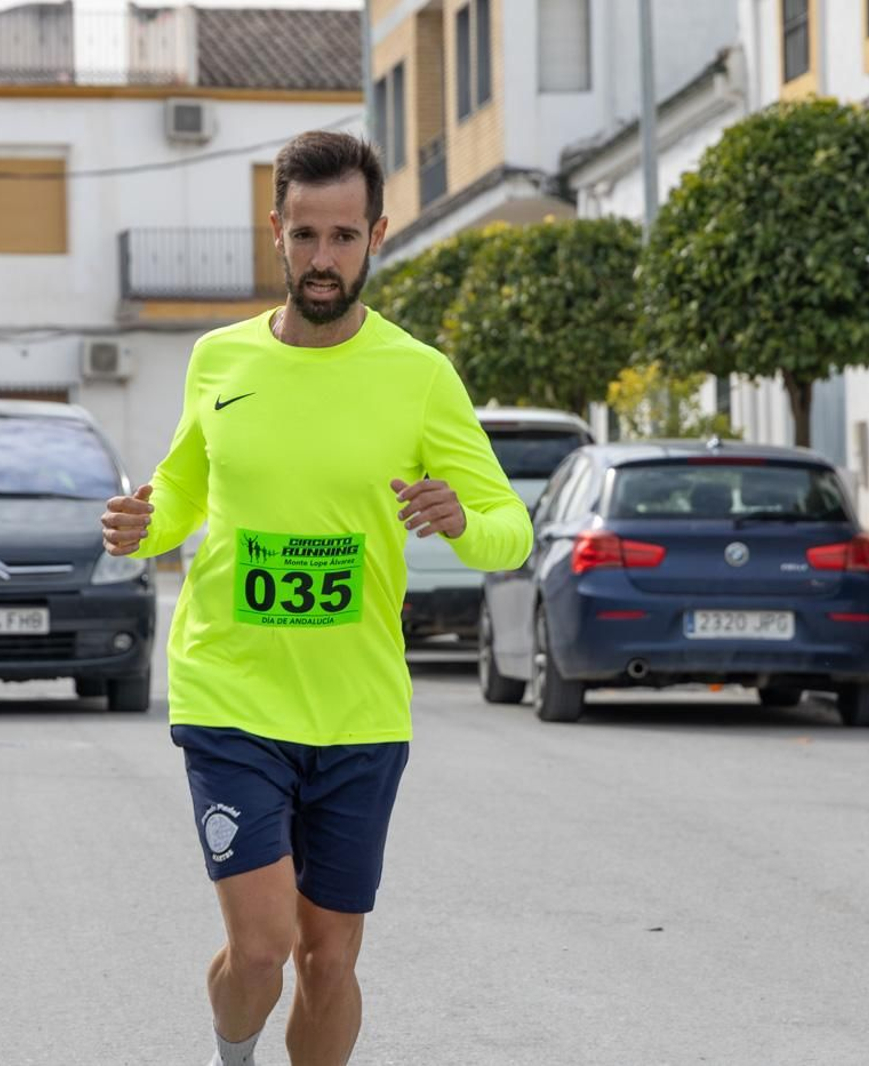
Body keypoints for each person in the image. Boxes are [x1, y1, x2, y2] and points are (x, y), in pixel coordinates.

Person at [99, 132, 531, 1066]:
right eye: (305, 236)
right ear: (276, 233)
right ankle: (233, 1052)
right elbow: (187, 488)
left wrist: (461, 517)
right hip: (232, 694)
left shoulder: (419, 377)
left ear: (376, 234)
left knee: (327, 957)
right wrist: (149, 521)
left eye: (343, 236)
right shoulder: (219, 360)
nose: (323, 258)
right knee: (260, 950)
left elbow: (511, 530)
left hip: (358, 709)